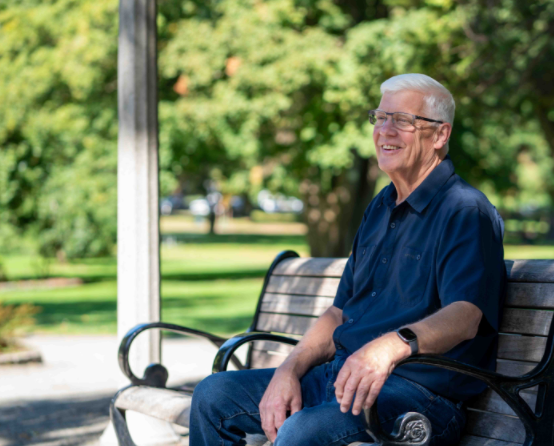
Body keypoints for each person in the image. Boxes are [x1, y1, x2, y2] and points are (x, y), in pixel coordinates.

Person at [189, 73, 506, 446]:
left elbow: (466, 315)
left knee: (302, 431)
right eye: (380, 117)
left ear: (439, 135)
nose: (385, 131)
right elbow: (338, 314)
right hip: (340, 379)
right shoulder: (380, 207)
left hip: (418, 397)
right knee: (213, 396)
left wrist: (387, 347)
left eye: (403, 120)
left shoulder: (465, 210)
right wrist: (288, 371)